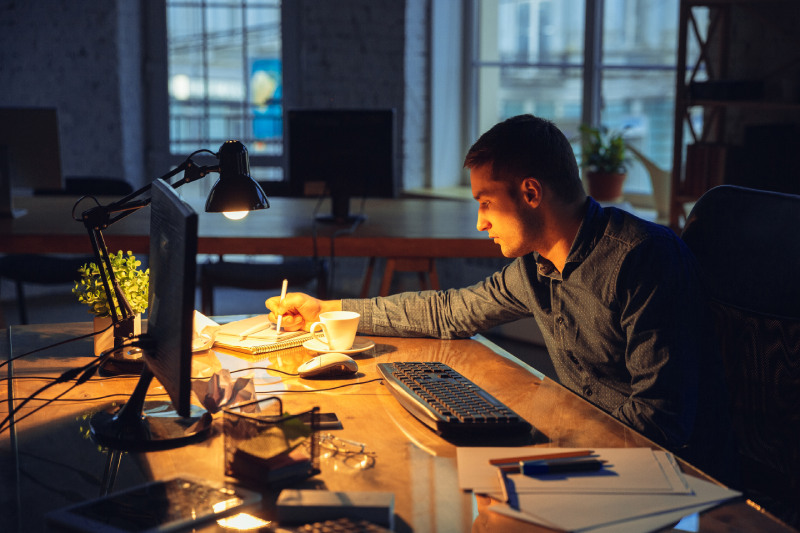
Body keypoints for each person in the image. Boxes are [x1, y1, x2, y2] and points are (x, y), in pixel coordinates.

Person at [266, 114, 735, 483]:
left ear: (531, 192)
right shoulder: (536, 268)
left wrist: (540, 431)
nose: (479, 222)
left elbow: (659, 426)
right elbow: (448, 310)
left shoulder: (643, 260)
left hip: (659, 481)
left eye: (486, 202)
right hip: (591, 461)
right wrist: (326, 309)